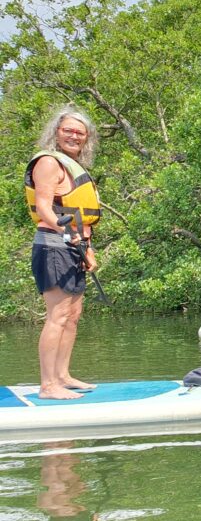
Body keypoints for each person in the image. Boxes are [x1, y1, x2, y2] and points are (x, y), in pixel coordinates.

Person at [25, 104, 101, 400]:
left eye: (79, 133)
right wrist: (66, 232)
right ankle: (48, 386)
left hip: (74, 247)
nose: (74, 136)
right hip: (53, 245)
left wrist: (87, 248)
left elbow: (79, 216)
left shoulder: (72, 166)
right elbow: (45, 206)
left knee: (73, 315)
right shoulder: (48, 162)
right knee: (57, 315)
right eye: (68, 130)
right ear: (56, 133)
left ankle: (62, 376)